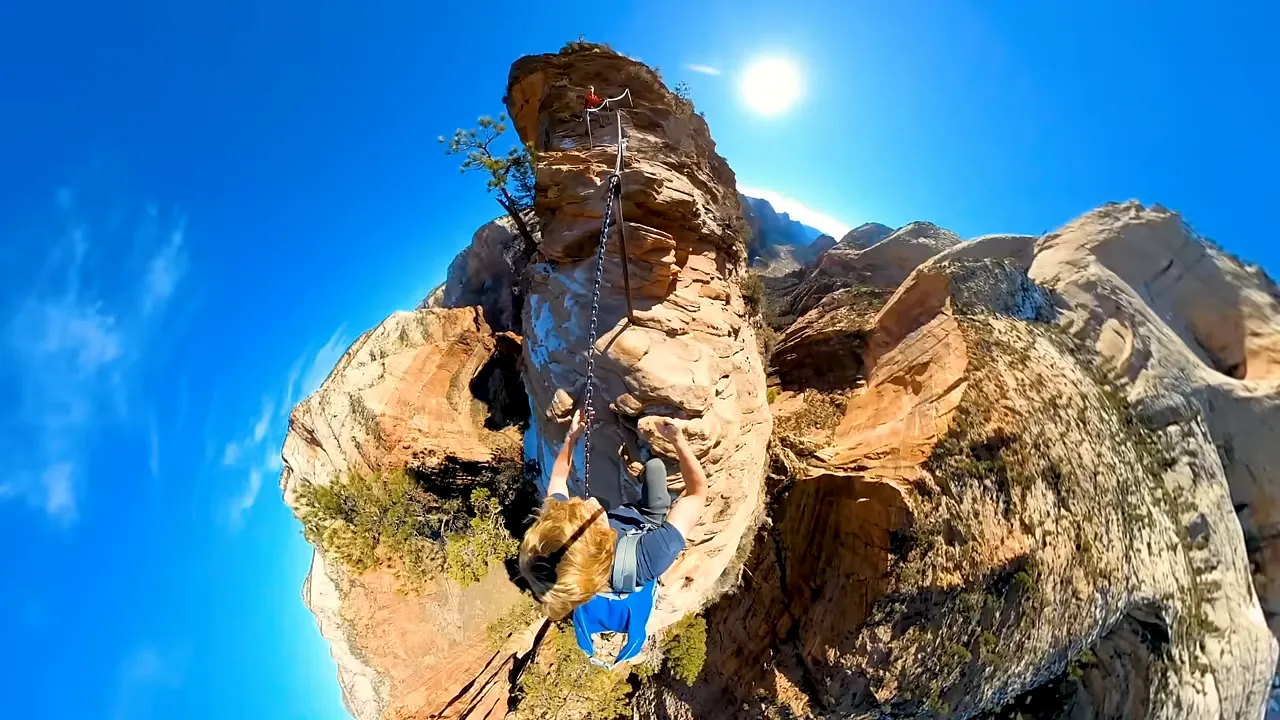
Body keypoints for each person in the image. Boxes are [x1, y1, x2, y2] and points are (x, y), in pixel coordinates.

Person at [518, 407, 709, 624]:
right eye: (590, 511)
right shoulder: (652, 556)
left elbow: (559, 478)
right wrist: (678, 441)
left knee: (649, 472)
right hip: (645, 527)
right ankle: (648, 461)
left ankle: (643, 464)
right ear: (602, 539)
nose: (587, 500)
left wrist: (571, 437)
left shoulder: (562, 536)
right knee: (656, 468)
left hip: (623, 532)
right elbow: (697, 492)